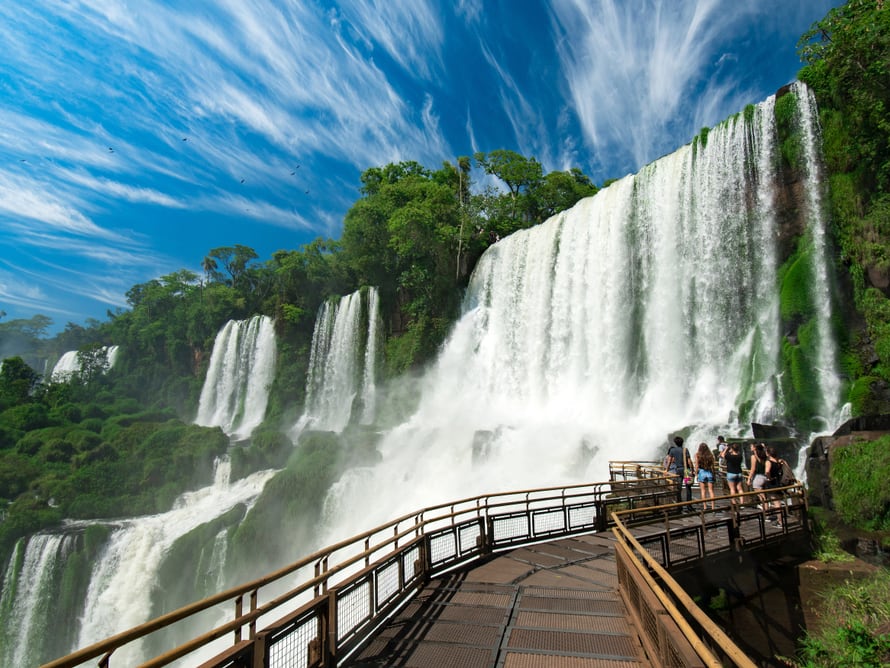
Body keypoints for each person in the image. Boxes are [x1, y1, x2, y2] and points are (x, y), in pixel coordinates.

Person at [695, 442, 717, 510]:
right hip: (709, 472)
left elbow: (697, 465)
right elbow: (712, 466)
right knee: (711, 490)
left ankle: (705, 506)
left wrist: (696, 473)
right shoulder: (710, 455)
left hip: (702, 472)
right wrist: (714, 474)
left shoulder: (697, 455)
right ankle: (713, 507)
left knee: (703, 491)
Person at [747, 443, 768, 511]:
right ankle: (766, 510)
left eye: (751, 446)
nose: (750, 447)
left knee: (761, 496)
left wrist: (749, 478)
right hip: (765, 477)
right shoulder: (764, 455)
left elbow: (753, 469)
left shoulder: (754, 457)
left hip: (758, 478)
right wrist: (764, 447)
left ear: (755, 448)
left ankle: (766, 513)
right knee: (764, 496)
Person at [722, 441, 744, 506]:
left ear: (732, 449)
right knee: (740, 488)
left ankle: (734, 502)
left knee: (732, 488)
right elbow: (737, 453)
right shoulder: (740, 456)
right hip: (739, 473)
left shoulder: (729, 456)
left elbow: (723, 455)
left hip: (731, 473)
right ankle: (742, 502)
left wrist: (726, 448)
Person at [666, 436, 686, 503]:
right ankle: (689, 503)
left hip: (677, 470)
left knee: (678, 485)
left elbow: (669, 461)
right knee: (687, 485)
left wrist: (667, 470)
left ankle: (678, 501)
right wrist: (692, 470)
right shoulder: (685, 450)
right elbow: (689, 461)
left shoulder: (673, 450)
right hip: (686, 471)